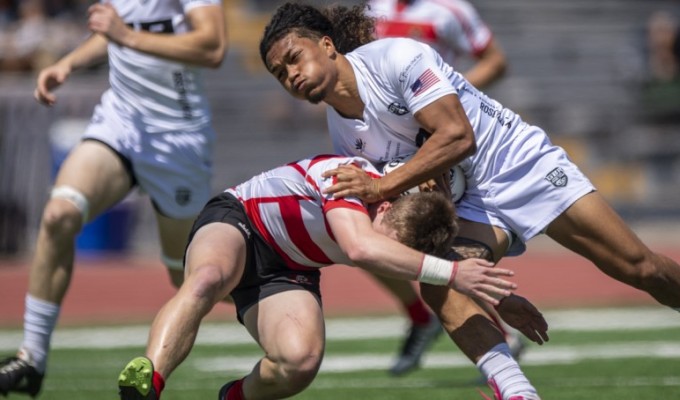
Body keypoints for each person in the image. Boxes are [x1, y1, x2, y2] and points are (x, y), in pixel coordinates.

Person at [259, 2, 680, 399]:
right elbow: (421, 205)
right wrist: (491, 292)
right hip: (470, 207)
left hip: (519, 166)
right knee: (439, 283)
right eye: (280, 73)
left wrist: (383, 187)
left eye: (294, 57)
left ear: (327, 45)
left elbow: (458, 137)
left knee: (638, 267)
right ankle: (517, 391)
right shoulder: (343, 134)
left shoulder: (395, 57)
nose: (291, 74)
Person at [115, 154, 546, 400]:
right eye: (388, 236)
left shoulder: (401, 225)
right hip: (240, 222)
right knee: (208, 278)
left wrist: (502, 300)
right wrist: (451, 271)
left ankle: (233, 398)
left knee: (301, 363)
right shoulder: (350, 181)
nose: (386, 252)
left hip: (290, 269)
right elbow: (362, 248)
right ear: (383, 205)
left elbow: (452, 275)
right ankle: (149, 379)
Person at [0, 0, 226, 397]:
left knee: (189, 277)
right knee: (58, 215)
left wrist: (126, 35)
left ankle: (280, 315)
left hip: (177, 140)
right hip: (119, 124)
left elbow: (212, 48)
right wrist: (68, 63)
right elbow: (113, 33)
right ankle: (31, 358)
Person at [364, 0, 511, 375]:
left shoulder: (451, 9)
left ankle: (497, 327)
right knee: (365, 233)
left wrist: (448, 95)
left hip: (436, 138)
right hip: (384, 141)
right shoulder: (370, 7)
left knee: (447, 239)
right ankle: (421, 317)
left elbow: (495, 61)